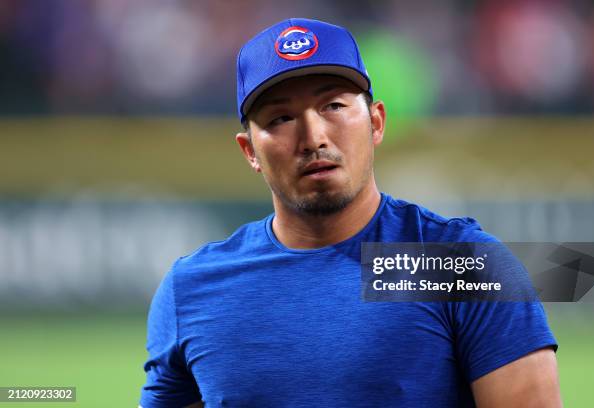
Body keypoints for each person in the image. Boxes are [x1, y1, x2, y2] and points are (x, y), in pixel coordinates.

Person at [140, 18, 561, 408]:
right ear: (250, 150)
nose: (313, 136)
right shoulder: (192, 289)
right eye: (281, 118)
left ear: (376, 123)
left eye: (334, 106)